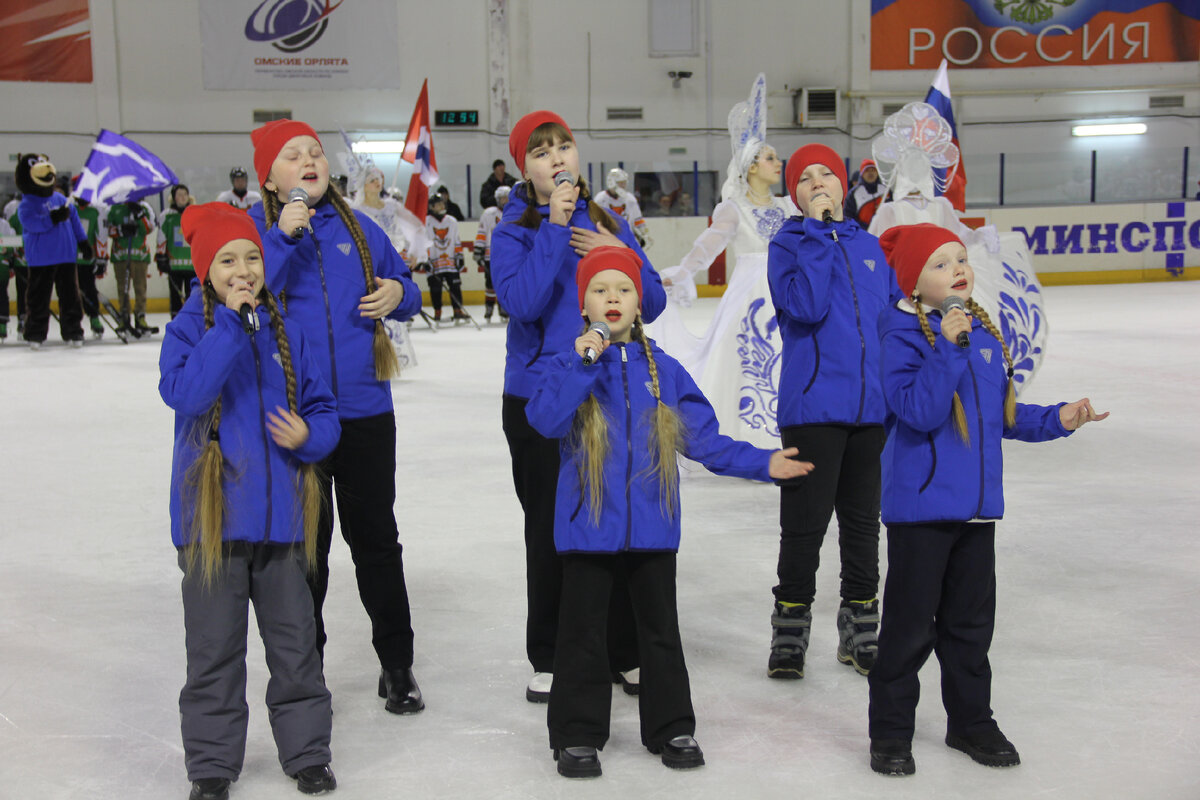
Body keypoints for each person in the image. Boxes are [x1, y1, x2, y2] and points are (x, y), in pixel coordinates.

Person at [526, 247, 813, 778]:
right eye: (599, 290)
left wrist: (762, 462)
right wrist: (583, 361)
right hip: (587, 528)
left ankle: (671, 725)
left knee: (659, 631)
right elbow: (544, 420)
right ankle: (577, 734)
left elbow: (706, 441)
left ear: (640, 303)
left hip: (654, 529)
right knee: (582, 634)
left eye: (624, 290)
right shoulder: (566, 364)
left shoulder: (665, 371)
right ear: (583, 302)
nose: (612, 298)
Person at [867, 223, 1108, 776]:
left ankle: (971, 723)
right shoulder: (899, 333)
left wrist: (1058, 419)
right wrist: (949, 348)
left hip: (976, 512)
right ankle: (891, 734)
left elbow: (1002, 416)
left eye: (960, 258)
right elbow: (920, 411)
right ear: (913, 282)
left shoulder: (978, 332)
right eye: (939, 263)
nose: (957, 268)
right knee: (907, 630)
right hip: (922, 511)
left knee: (971, 628)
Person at [159, 202, 340, 800]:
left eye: (253, 257)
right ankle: (211, 766)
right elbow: (188, 393)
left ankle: (308, 753)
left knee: (296, 646)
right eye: (228, 259)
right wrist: (232, 326)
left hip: (283, 521)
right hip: (212, 524)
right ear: (203, 270)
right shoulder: (188, 329)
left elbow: (322, 408)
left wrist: (311, 437)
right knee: (214, 651)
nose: (244, 269)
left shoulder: (285, 330)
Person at [248, 119, 426, 715]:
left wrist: (401, 294)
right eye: (293, 155)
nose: (308, 161)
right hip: (295, 420)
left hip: (367, 410)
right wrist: (279, 238)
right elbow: (241, 298)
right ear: (268, 176)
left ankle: (397, 665)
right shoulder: (256, 232)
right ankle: (307, 668)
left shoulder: (362, 227)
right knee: (306, 551)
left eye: (315, 153)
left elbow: (406, 285)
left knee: (377, 541)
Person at [492, 110, 665, 703]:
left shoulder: (606, 216)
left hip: (611, 393)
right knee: (549, 529)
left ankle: (622, 648)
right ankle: (548, 651)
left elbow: (655, 302)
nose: (557, 158)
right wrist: (553, 231)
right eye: (541, 152)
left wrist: (621, 247)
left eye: (563, 145)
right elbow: (521, 302)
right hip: (543, 398)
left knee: (612, 521)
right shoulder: (513, 230)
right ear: (525, 167)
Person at [765, 143, 901, 681]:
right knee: (803, 527)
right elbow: (805, 306)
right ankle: (790, 630)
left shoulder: (871, 248)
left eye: (827, 173)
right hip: (815, 408)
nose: (817, 181)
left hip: (871, 411)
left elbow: (890, 323)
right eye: (805, 178)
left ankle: (860, 625)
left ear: (844, 184)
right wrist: (819, 235)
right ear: (794, 195)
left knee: (863, 525)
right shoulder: (789, 243)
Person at [649, 74, 798, 450]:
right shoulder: (735, 208)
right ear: (751, 167)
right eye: (769, 158)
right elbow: (707, 245)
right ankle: (747, 434)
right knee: (746, 364)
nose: (777, 162)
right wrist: (681, 274)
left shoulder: (788, 206)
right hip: (751, 296)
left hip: (789, 292)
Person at [868, 101, 1047, 391]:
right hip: (903, 288)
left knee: (949, 333)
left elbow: (960, 236)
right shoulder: (891, 211)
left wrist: (982, 237)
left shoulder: (940, 206)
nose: (917, 169)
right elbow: (874, 248)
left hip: (941, 286)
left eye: (921, 164)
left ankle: (958, 381)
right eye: (912, 164)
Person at [17, 154, 91, 348]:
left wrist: (83, 242)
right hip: (41, 258)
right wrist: (52, 218)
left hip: (66, 255)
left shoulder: (60, 198)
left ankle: (73, 331)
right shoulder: (26, 204)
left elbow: (74, 221)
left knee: (70, 297)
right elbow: (31, 224)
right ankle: (35, 333)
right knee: (38, 298)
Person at [350, 165, 425, 264]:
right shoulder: (357, 210)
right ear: (364, 186)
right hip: (372, 260)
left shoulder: (392, 205)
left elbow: (417, 226)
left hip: (396, 258)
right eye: (372, 181)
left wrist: (415, 252)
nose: (377, 182)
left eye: (377, 178)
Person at [106, 198, 157, 334]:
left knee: (140, 288)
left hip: (140, 255)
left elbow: (149, 228)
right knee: (123, 288)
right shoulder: (113, 209)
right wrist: (121, 230)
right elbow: (106, 229)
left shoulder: (145, 208)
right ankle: (124, 317)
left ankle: (140, 317)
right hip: (120, 255)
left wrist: (140, 215)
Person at [421, 194, 467, 322]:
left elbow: (456, 240)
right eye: (438, 204)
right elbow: (423, 242)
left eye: (442, 203)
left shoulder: (451, 221)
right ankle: (437, 312)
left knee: (455, 286)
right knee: (435, 288)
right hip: (434, 263)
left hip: (450, 262)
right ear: (432, 206)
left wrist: (459, 255)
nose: (442, 206)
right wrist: (426, 259)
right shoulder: (426, 221)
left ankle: (458, 311)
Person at [157, 184, 196, 319]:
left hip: (192, 265)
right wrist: (161, 256)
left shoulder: (194, 214)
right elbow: (161, 237)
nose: (182, 197)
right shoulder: (166, 216)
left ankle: (192, 324)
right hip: (174, 265)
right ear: (173, 198)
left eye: (184, 194)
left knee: (193, 298)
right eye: (179, 195)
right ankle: (176, 323)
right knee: (175, 298)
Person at [473, 184, 509, 321]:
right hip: (491, 256)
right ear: (497, 199)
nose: (505, 201)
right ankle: (489, 308)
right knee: (490, 284)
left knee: (504, 282)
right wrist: (478, 249)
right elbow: (482, 232)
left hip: (508, 256)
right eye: (502, 198)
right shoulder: (488, 214)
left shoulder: (515, 212)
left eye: (507, 198)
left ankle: (504, 309)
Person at [594, 168, 652, 249]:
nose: (623, 186)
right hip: (607, 241)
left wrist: (644, 234)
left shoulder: (630, 199)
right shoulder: (600, 199)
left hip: (627, 241)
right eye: (620, 183)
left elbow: (637, 220)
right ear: (611, 183)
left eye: (624, 183)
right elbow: (594, 222)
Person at [844, 159, 886, 228]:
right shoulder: (853, 193)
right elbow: (848, 217)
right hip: (863, 233)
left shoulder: (885, 190)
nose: (870, 173)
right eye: (867, 171)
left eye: (873, 170)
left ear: (877, 173)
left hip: (884, 231)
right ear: (862, 174)